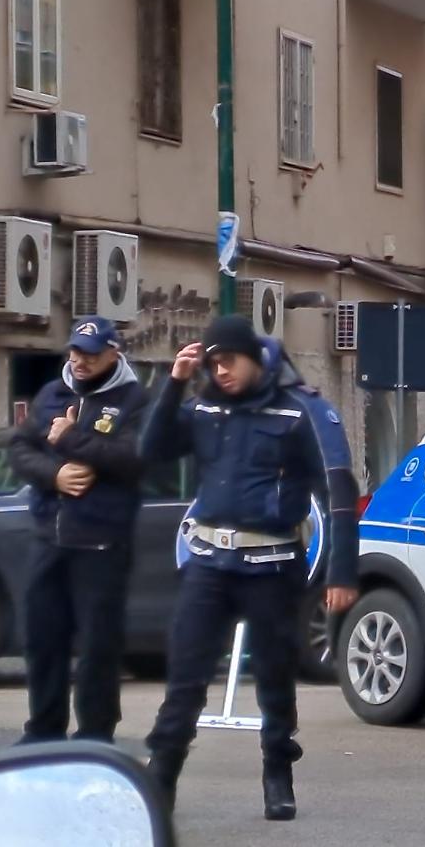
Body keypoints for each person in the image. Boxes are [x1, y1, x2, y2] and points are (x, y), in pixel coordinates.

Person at [139, 315, 360, 821]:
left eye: (228, 360)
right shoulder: (205, 406)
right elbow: (148, 452)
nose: (220, 371)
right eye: (212, 363)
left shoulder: (303, 411)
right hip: (208, 563)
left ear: (255, 357)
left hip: (273, 563)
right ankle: (160, 779)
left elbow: (338, 492)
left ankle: (277, 771)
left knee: (275, 676)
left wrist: (341, 572)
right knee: (186, 675)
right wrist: (174, 384)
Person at [8, 316, 148, 744]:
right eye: (74, 351)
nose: (78, 360)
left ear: (113, 353)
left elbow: (132, 459)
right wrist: (56, 474)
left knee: (98, 649)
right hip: (50, 539)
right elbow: (20, 449)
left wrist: (70, 439)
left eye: (89, 353)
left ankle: (95, 734)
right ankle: (43, 731)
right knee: (43, 639)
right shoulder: (53, 393)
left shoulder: (134, 401)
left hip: (102, 543)